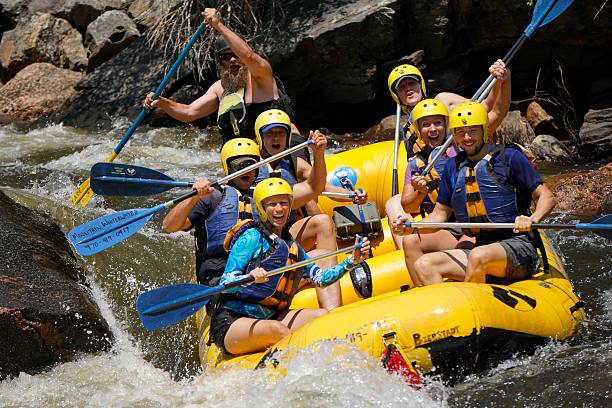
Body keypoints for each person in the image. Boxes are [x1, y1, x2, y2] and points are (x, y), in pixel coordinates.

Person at [392, 101, 555, 285]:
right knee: (425, 264)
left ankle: (473, 305)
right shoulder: (453, 167)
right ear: (454, 135)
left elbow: (546, 196)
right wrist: (412, 226)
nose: (467, 137)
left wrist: (532, 219)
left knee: (478, 256)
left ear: (484, 130)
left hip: (518, 245)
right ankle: (449, 311)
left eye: (473, 131)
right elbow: (439, 215)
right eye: (461, 132)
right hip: (482, 245)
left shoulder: (509, 157)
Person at [210, 178, 371, 355]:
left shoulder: (290, 244)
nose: (279, 209)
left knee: (323, 317)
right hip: (233, 321)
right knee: (277, 330)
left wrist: (351, 261)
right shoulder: (251, 237)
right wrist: (249, 279)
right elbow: (226, 283)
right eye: (272, 204)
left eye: (284, 203)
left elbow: (321, 279)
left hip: (271, 315)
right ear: (262, 208)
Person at [143, 8, 310, 161]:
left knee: (301, 171)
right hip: (248, 159)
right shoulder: (219, 88)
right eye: (225, 56)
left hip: (282, 149)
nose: (232, 60)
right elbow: (189, 112)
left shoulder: (262, 76)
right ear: (219, 61)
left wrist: (218, 25)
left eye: (236, 55)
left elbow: (250, 56)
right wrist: (162, 102)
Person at [385, 60, 511, 248]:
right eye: (402, 87)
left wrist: (500, 81)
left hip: (461, 200)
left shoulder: (458, 132)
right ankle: (410, 251)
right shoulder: (411, 143)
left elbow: (485, 110)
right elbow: (409, 199)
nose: (433, 129)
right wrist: (420, 191)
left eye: (411, 83)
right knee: (393, 202)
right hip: (434, 195)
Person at [392, 98, 475, 286]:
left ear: (446, 126)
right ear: (419, 131)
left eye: (438, 123)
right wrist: (420, 191)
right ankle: (427, 295)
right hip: (447, 228)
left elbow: (495, 113)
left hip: (472, 226)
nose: (433, 129)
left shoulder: (461, 147)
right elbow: (407, 205)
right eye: (426, 125)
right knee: (410, 241)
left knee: (466, 246)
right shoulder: (416, 164)